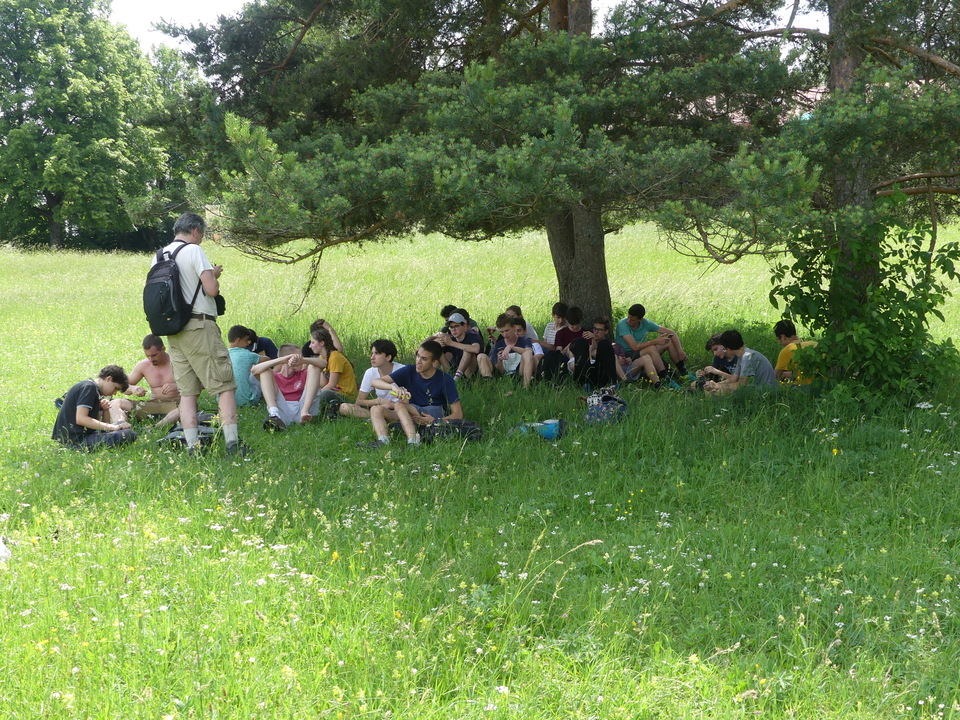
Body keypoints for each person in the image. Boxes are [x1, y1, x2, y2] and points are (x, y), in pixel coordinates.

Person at [155, 212, 245, 456]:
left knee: (187, 392)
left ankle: (192, 446)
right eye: (202, 233)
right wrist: (213, 274)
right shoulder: (194, 250)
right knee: (224, 384)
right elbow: (211, 290)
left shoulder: (160, 255)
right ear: (195, 230)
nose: (202, 238)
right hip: (199, 325)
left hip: (174, 331)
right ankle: (233, 444)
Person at [365, 340, 463, 448]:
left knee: (399, 405)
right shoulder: (410, 370)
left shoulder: (445, 379)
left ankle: (413, 442)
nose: (418, 361)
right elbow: (375, 382)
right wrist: (392, 387)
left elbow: (458, 414)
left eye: (424, 359)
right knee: (376, 409)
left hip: (433, 412)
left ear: (434, 362)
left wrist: (436, 421)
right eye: (418, 356)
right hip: (411, 412)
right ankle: (383, 441)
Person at [52, 365, 137, 450]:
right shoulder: (89, 388)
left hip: (86, 435)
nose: (114, 393)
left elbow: (103, 428)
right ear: (109, 379)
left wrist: (105, 410)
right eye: (115, 388)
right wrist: (113, 427)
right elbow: (81, 419)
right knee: (128, 434)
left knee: (122, 425)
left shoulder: (95, 391)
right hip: (76, 441)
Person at [110, 334, 181, 427]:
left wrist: (177, 386)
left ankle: (155, 427)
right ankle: (121, 427)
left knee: (186, 407)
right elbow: (122, 386)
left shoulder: (178, 362)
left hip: (176, 405)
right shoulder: (143, 365)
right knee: (115, 403)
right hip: (153, 405)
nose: (151, 359)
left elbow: (198, 384)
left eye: (154, 355)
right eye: (147, 356)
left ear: (163, 349)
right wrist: (132, 389)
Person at [253, 344, 327, 430]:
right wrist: (281, 360)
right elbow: (254, 370)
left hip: (303, 408)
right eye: (298, 357)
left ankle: (305, 412)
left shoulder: (303, 373)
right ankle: (274, 415)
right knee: (265, 372)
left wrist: (303, 360)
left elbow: (323, 364)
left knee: (314, 367)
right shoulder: (275, 377)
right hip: (282, 411)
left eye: (301, 357)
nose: (300, 360)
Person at [615, 303, 692, 383]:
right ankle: (664, 377)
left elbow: (671, 333)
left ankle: (683, 371)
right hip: (628, 355)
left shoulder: (645, 323)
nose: (628, 321)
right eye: (628, 317)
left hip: (642, 351)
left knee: (667, 341)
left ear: (640, 320)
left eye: (632, 320)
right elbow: (634, 347)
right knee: (651, 348)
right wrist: (655, 341)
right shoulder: (622, 324)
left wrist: (680, 351)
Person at [338, 339, 404, 419]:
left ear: (388, 357)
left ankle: (380, 418)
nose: (372, 357)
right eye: (372, 353)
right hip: (379, 407)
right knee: (344, 407)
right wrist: (378, 401)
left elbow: (411, 401)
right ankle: (377, 417)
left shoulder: (402, 370)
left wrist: (391, 404)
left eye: (377, 353)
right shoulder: (370, 372)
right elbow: (359, 401)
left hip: (399, 409)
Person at [704, 330, 777, 395]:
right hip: (758, 388)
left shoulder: (747, 357)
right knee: (716, 391)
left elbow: (741, 385)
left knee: (718, 393)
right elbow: (734, 379)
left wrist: (717, 386)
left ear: (727, 348)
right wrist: (716, 384)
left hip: (766, 392)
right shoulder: (741, 356)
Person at [477, 313, 536, 388]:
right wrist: (499, 361)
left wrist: (511, 347)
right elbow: (500, 370)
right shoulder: (499, 343)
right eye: (501, 332)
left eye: (507, 330)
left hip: (520, 372)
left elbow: (529, 352)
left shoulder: (524, 339)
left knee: (527, 353)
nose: (505, 334)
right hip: (504, 375)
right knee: (481, 356)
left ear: (514, 327)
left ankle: (526, 387)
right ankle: (489, 384)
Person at [567, 317, 625, 388]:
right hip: (584, 370)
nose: (596, 332)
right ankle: (585, 385)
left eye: (599, 330)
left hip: (600, 373)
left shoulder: (609, 346)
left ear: (606, 331)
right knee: (580, 342)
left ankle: (615, 383)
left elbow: (614, 359)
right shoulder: (587, 340)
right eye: (594, 329)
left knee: (604, 343)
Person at [437, 311, 484, 380]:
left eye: (456, 326)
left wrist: (451, 343)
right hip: (454, 369)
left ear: (464, 326)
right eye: (451, 327)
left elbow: (476, 349)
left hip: (472, 372)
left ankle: (457, 378)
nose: (453, 330)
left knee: (467, 350)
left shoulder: (472, 336)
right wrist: (438, 342)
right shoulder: (451, 339)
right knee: (437, 350)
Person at [227, 325, 262, 407]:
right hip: (248, 400)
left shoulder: (223, 354)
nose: (248, 343)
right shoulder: (248, 354)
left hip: (225, 401)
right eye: (246, 340)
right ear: (238, 340)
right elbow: (267, 360)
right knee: (261, 370)